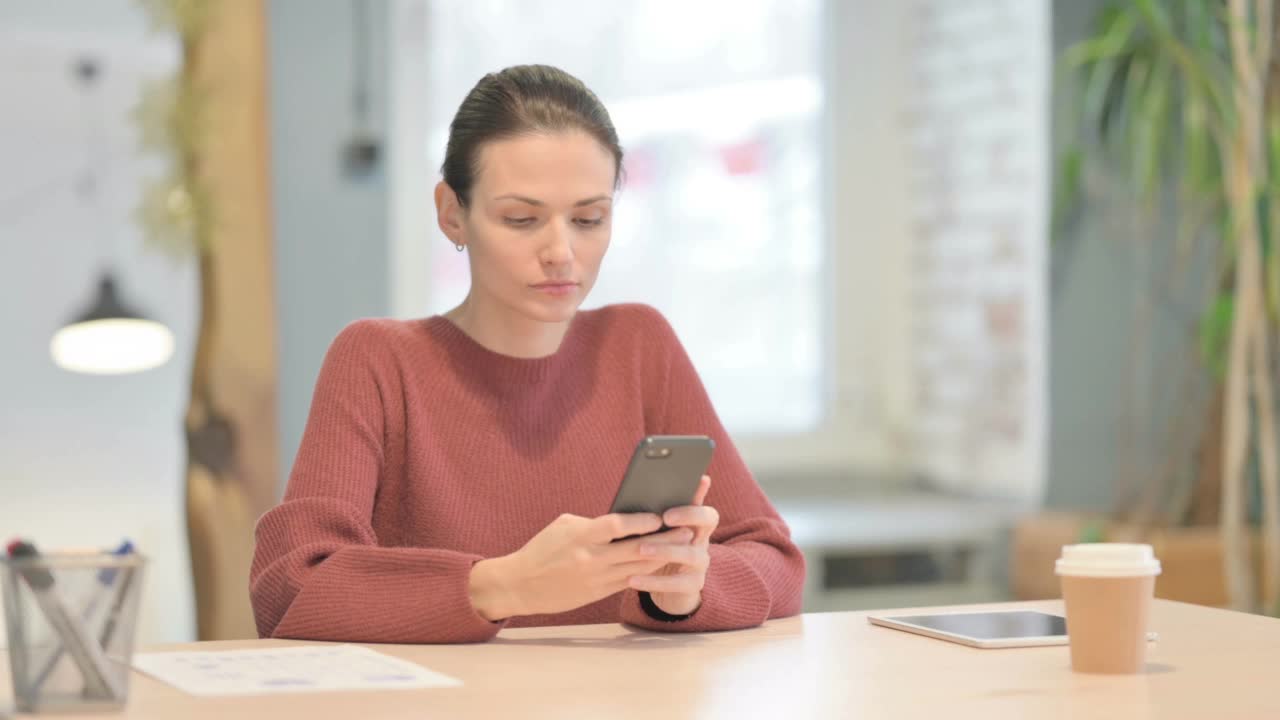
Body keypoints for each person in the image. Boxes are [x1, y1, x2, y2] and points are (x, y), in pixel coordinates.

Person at [250, 64, 805, 643]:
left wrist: (687, 592)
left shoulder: (639, 344)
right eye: (522, 219)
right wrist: (504, 586)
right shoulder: (377, 361)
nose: (562, 252)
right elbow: (288, 589)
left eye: (589, 219)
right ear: (451, 212)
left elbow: (777, 559)